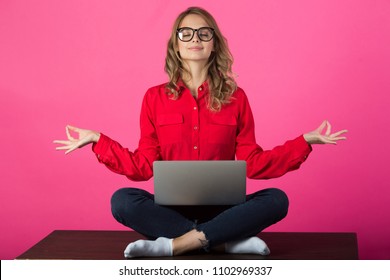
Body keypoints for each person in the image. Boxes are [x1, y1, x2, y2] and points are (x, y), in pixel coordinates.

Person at [54, 7, 347, 258]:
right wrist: (98, 141)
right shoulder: (153, 98)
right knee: (123, 200)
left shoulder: (236, 97)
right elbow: (142, 167)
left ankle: (175, 245)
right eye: (186, 33)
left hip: (226, 210)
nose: (195, 38)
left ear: (214, 44)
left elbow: (254, 163)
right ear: (176, 45)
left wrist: (304, 142)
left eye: (204, 33)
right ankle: (224, 242)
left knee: (276, 199)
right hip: (170, 212)